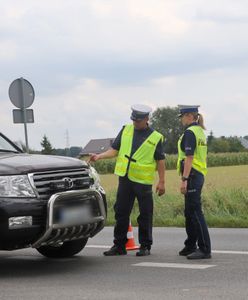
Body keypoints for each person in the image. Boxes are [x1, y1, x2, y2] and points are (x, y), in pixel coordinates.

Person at [89, 104, 166, 256]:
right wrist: (99, 156)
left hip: (143, 182)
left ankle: (145, 246)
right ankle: (119, 246)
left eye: (138, 121)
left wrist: (162, 181)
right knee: (121, 212)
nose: (135, 123)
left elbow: (160, 161)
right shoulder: (126, 129)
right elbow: (115, 150)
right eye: (133, 120)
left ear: (146, 119)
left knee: (145, 214)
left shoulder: (156, 137)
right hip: (125, 178)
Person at [177, 105, 211, 259]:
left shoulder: (190, 132)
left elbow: (189, 158)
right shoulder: (200, 131)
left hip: (192, 174)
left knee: (195, 212)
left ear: (189, 116)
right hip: (197, 174)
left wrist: (184, 179)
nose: (181, 119)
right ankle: (190, 245)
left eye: (182, 116)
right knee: (189, 212)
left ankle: (204, 249)